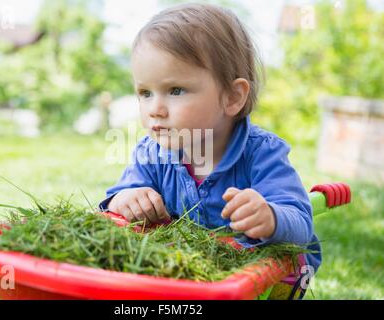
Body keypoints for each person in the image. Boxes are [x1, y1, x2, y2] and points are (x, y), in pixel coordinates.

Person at [99, 3, 320, 299]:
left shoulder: (262, 153)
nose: (155, 109)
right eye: (145, 93)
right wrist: (126, 199)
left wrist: (270, 217)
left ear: (232, 97)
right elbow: (117, 198)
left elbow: (301, 224)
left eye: (175, 90)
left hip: (255, 276)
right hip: (188, 269)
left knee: (287, 267)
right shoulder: (151, 151)